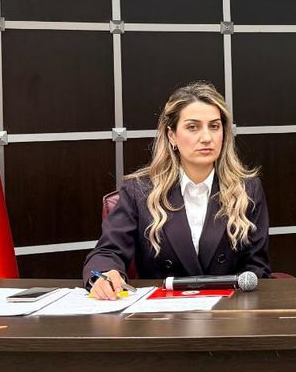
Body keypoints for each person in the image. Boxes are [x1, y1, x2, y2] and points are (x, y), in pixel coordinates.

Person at [84, 81, 270, 298]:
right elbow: (108, 251)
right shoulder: (139, 191)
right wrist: (105, 273)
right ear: (171, 135)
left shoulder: (247, 190)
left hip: (228, 309)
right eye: (193, 127)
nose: (207, 138)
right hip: (163, 312)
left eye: (214, 126)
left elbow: (257, 268)